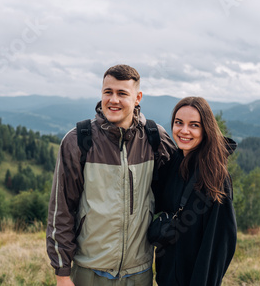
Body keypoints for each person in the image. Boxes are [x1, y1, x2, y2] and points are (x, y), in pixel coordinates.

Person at [46, 64, 176, 286]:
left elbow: (181, 184)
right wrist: (62, 273)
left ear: (137, 97)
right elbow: (62, 209)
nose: (113, 100)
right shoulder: (78, 140)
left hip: (140, 272)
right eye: (108, 92)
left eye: (122, 93)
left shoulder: (155, 137)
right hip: (89, 272)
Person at [152, 96, 237, 286]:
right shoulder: (174, 164)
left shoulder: (215, 177)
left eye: (194, 125)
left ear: (206, 129)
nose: (184, 131)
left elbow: (218, 247)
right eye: (179, 123)